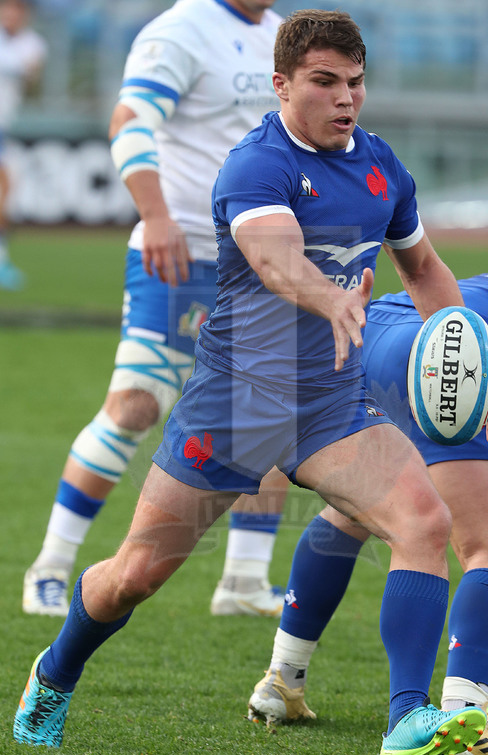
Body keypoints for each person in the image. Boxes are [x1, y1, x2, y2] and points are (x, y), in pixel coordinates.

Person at [14, 10, 488, 755]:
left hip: (329, 403)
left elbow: (423, 269)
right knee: (135, 576)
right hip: (236, 405)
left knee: (423, 520)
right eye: (325, 82)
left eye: (355, 83)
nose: (345, 97)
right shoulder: (256, 165)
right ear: (282, 84)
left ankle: (406, 721)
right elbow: (274, 258)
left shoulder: (382, 166)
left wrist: (474, 350)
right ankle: (54, 674)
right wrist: (331, 299)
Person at [22, 0, 289, 620]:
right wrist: (156, 216)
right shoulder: (180, 29)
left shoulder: (282, 34)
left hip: (261, 258)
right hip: (181, 252)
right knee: (137, 404)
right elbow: (129, 119)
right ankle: (51, 566)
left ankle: (244, 580)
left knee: (274, 411)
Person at [248, 266, 488, 755]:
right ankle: (470, 719)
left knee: (355, 515)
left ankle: (283, 678)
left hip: (374, 334)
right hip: (448, 359)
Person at [0, 0, 47, 289]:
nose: (10, 14)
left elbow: (31, 76)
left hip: (3, 127)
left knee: (5, 194)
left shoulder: (32, 43)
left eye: (16, 9)